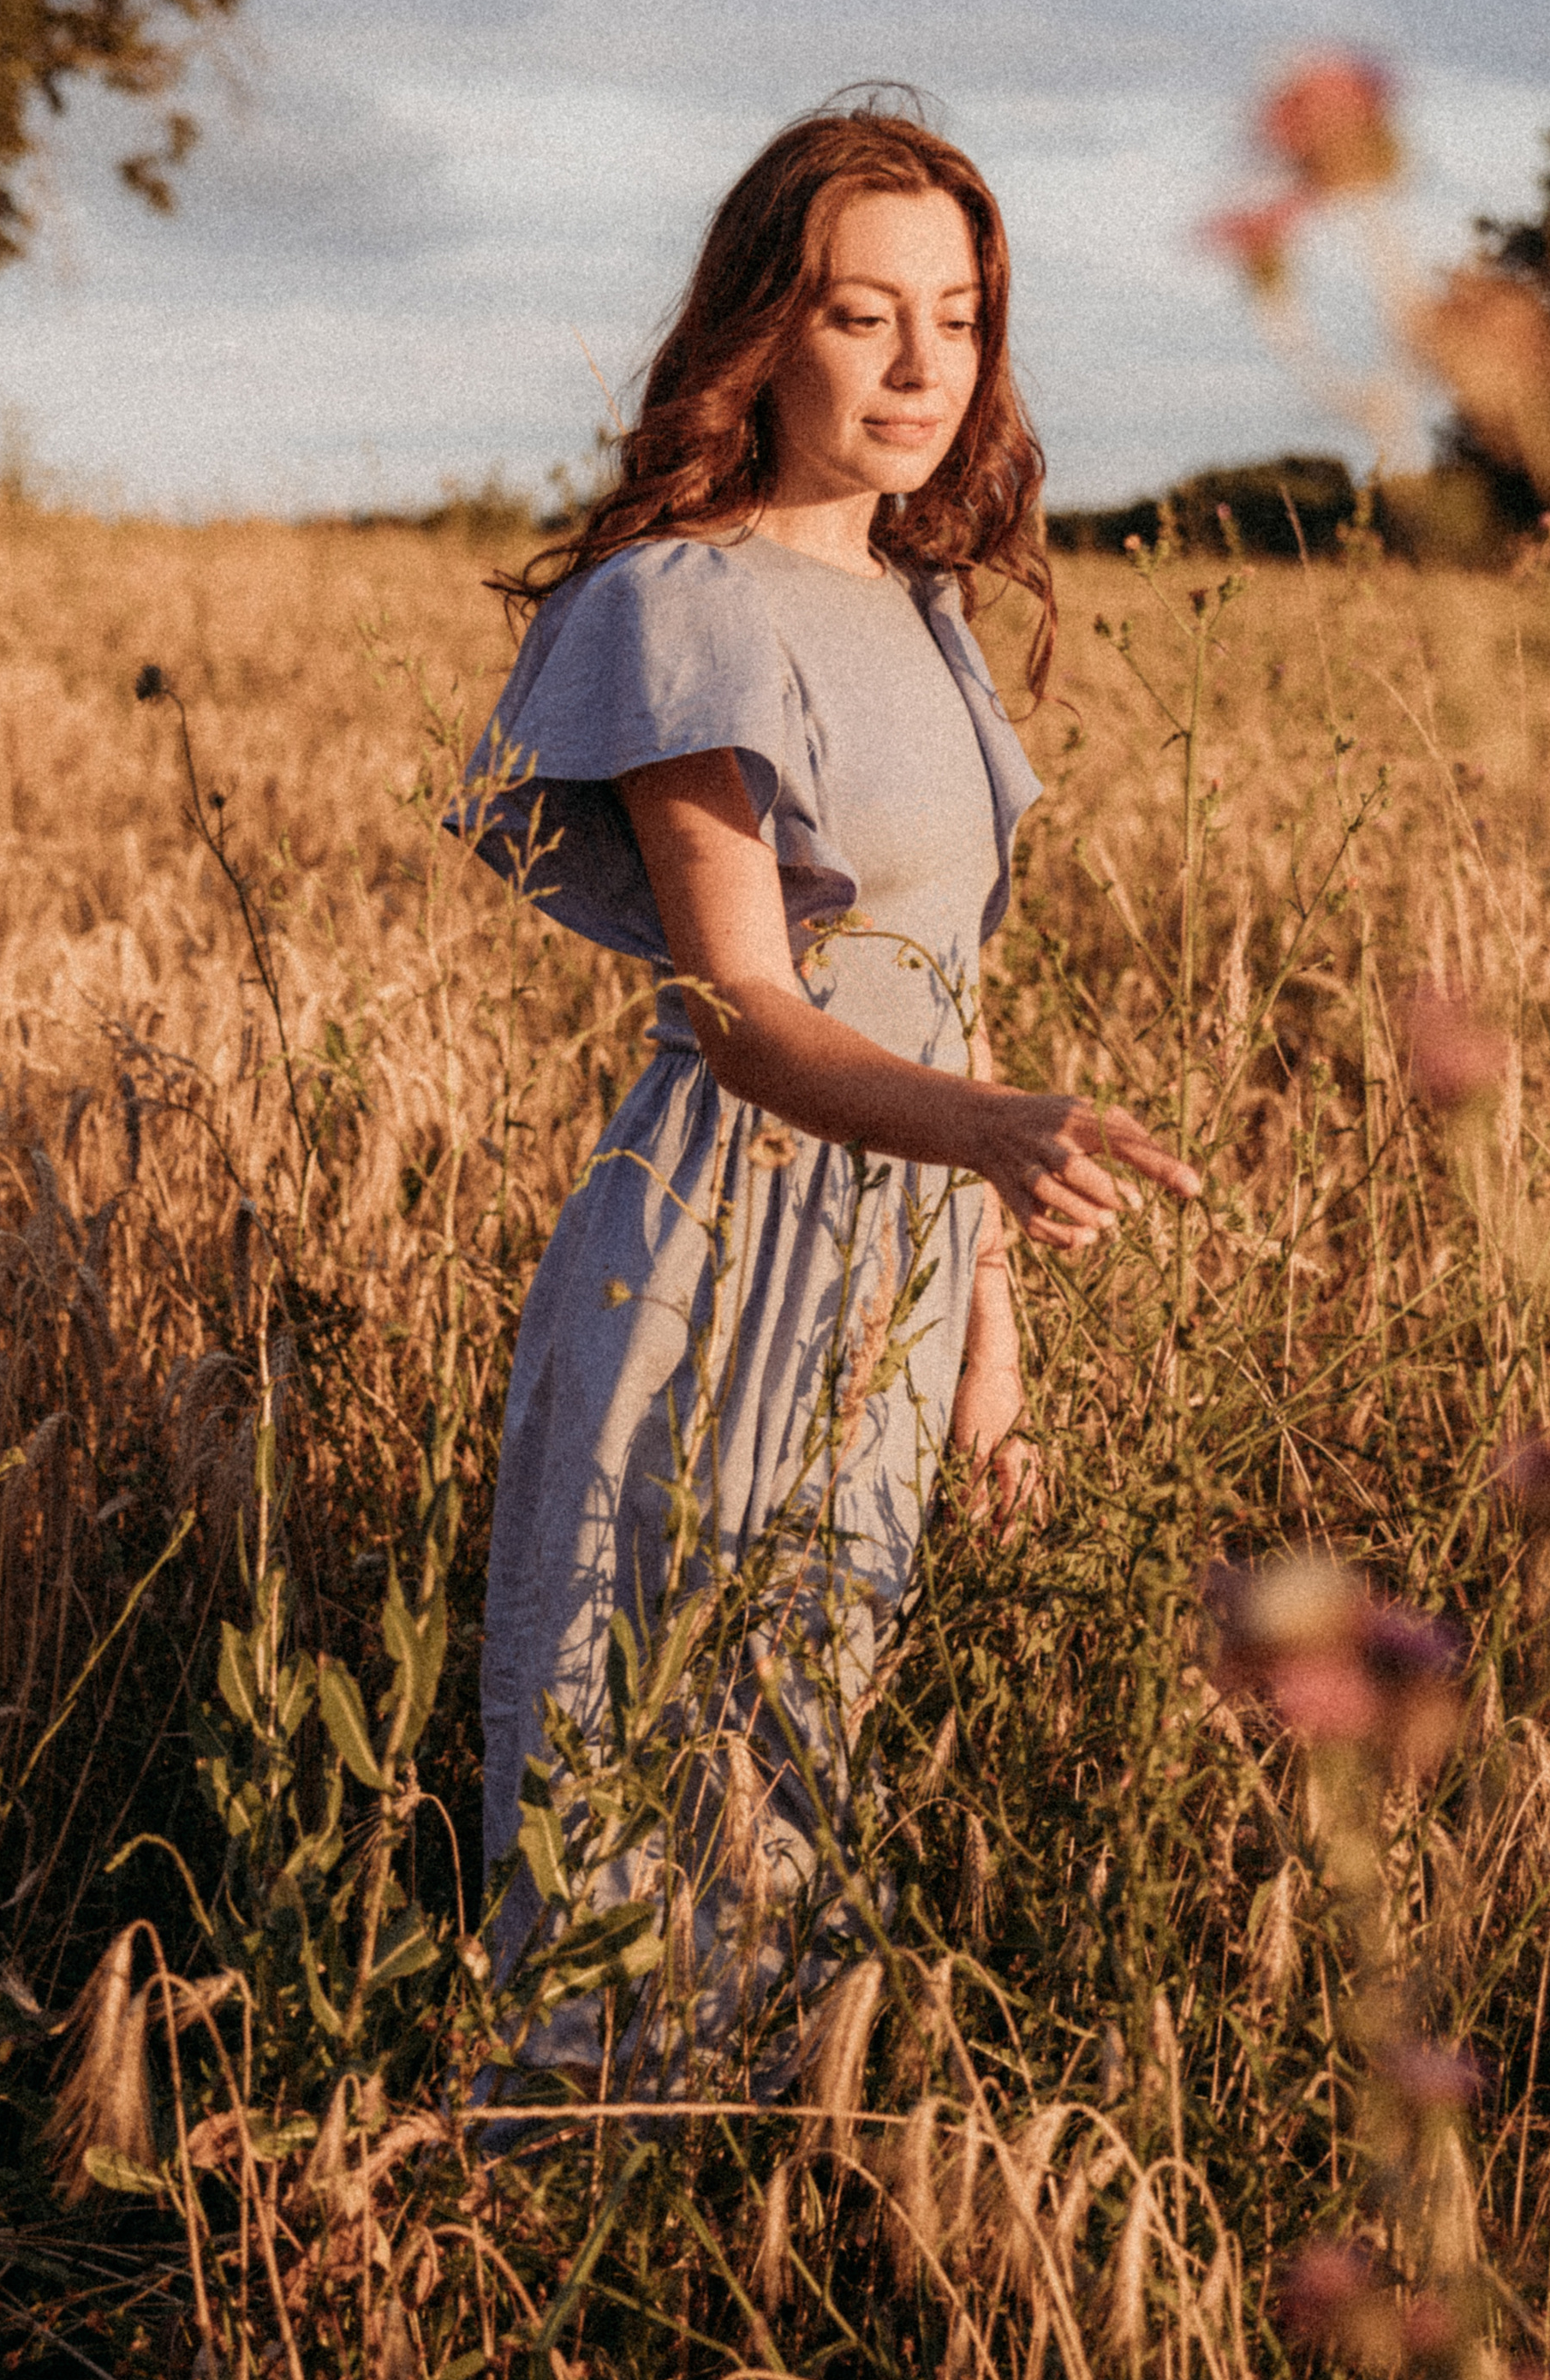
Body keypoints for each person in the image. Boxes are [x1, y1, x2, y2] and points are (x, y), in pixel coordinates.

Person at [454, 100, 1198, 2082]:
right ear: (763, 333)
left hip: (886, 1264)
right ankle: (554, 2249)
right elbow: (746, 1015)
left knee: (794, 1767)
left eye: (953, 317)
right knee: (625, 1761)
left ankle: (732, 2228)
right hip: (709, 1249)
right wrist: (991, 1133)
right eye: (861, 314)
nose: (916, 367)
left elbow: (945, 1017)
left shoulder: (927, 618)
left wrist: (986, 1358)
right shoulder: (678, 603)